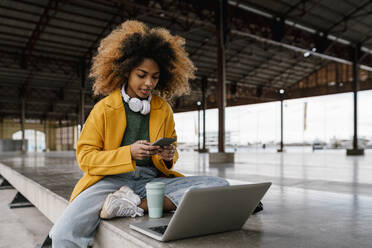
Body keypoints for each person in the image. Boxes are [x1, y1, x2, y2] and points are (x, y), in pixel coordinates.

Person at [49, 20, 229, 248]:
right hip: (108, 182)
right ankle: (127, 201)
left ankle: (133, 204)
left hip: (151, 182)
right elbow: (85, 159)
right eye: (142, 75)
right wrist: (129, 153)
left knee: (218, 184)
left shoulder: (163, 109)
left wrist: (167, 155)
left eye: (154, 77)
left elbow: (171, 161)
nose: (149, 83)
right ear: (126, 71)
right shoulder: (103, 109)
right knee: (64, 235)